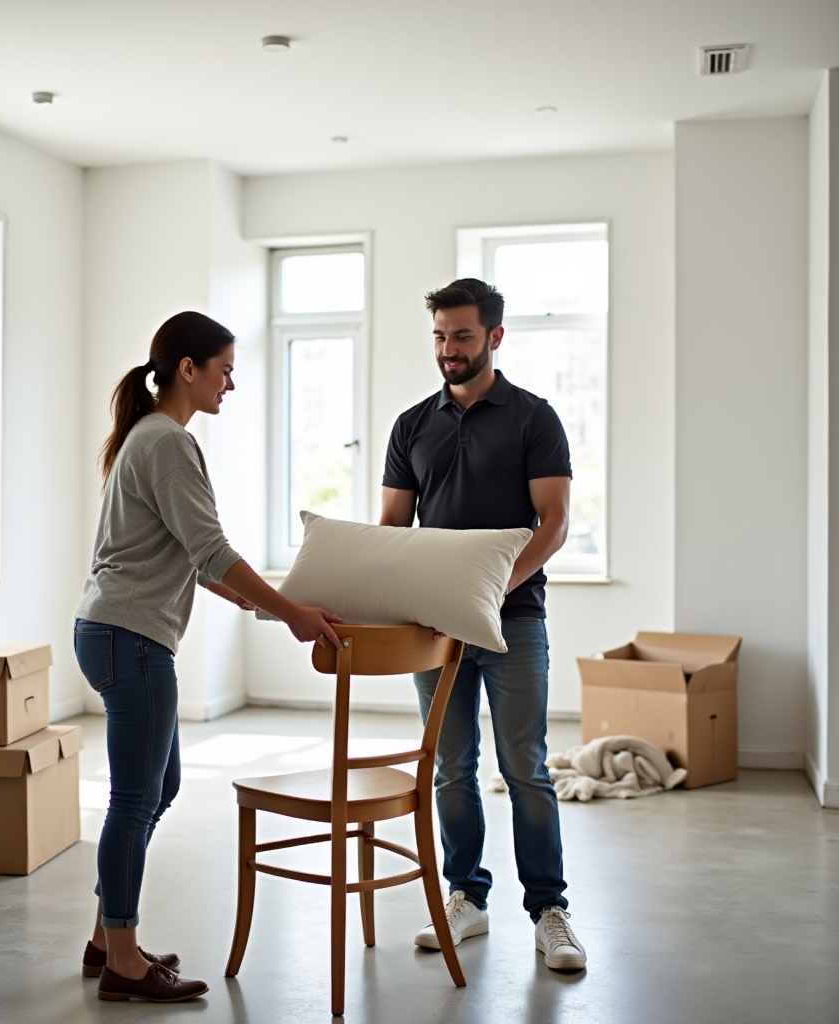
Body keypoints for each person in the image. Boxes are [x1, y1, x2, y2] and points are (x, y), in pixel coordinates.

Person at [74, 311, 343, 1004]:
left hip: (116, 632)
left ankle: (110, 938)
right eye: (224, 369)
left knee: (155, 791)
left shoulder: (153, 436)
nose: (232, 382)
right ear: (187, 369)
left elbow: (196, 564)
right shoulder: (168, 442)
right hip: (130, 639)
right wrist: (293, 613)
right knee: (135, 798)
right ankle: (124, 962)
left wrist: (264, 608)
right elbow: (214, 551)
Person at [379, 279, 587, 971]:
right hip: (434, 630)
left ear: (494, 337)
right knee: (448, 768)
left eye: (462, 336)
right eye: (440, 336)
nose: (448, 350)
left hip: (514, 621)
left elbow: (553, 524)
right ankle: (464, 898)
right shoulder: (411, 425)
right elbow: (392, 529)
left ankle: (549, 910)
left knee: (524, 766)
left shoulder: (534, 418)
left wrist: (490, 589)